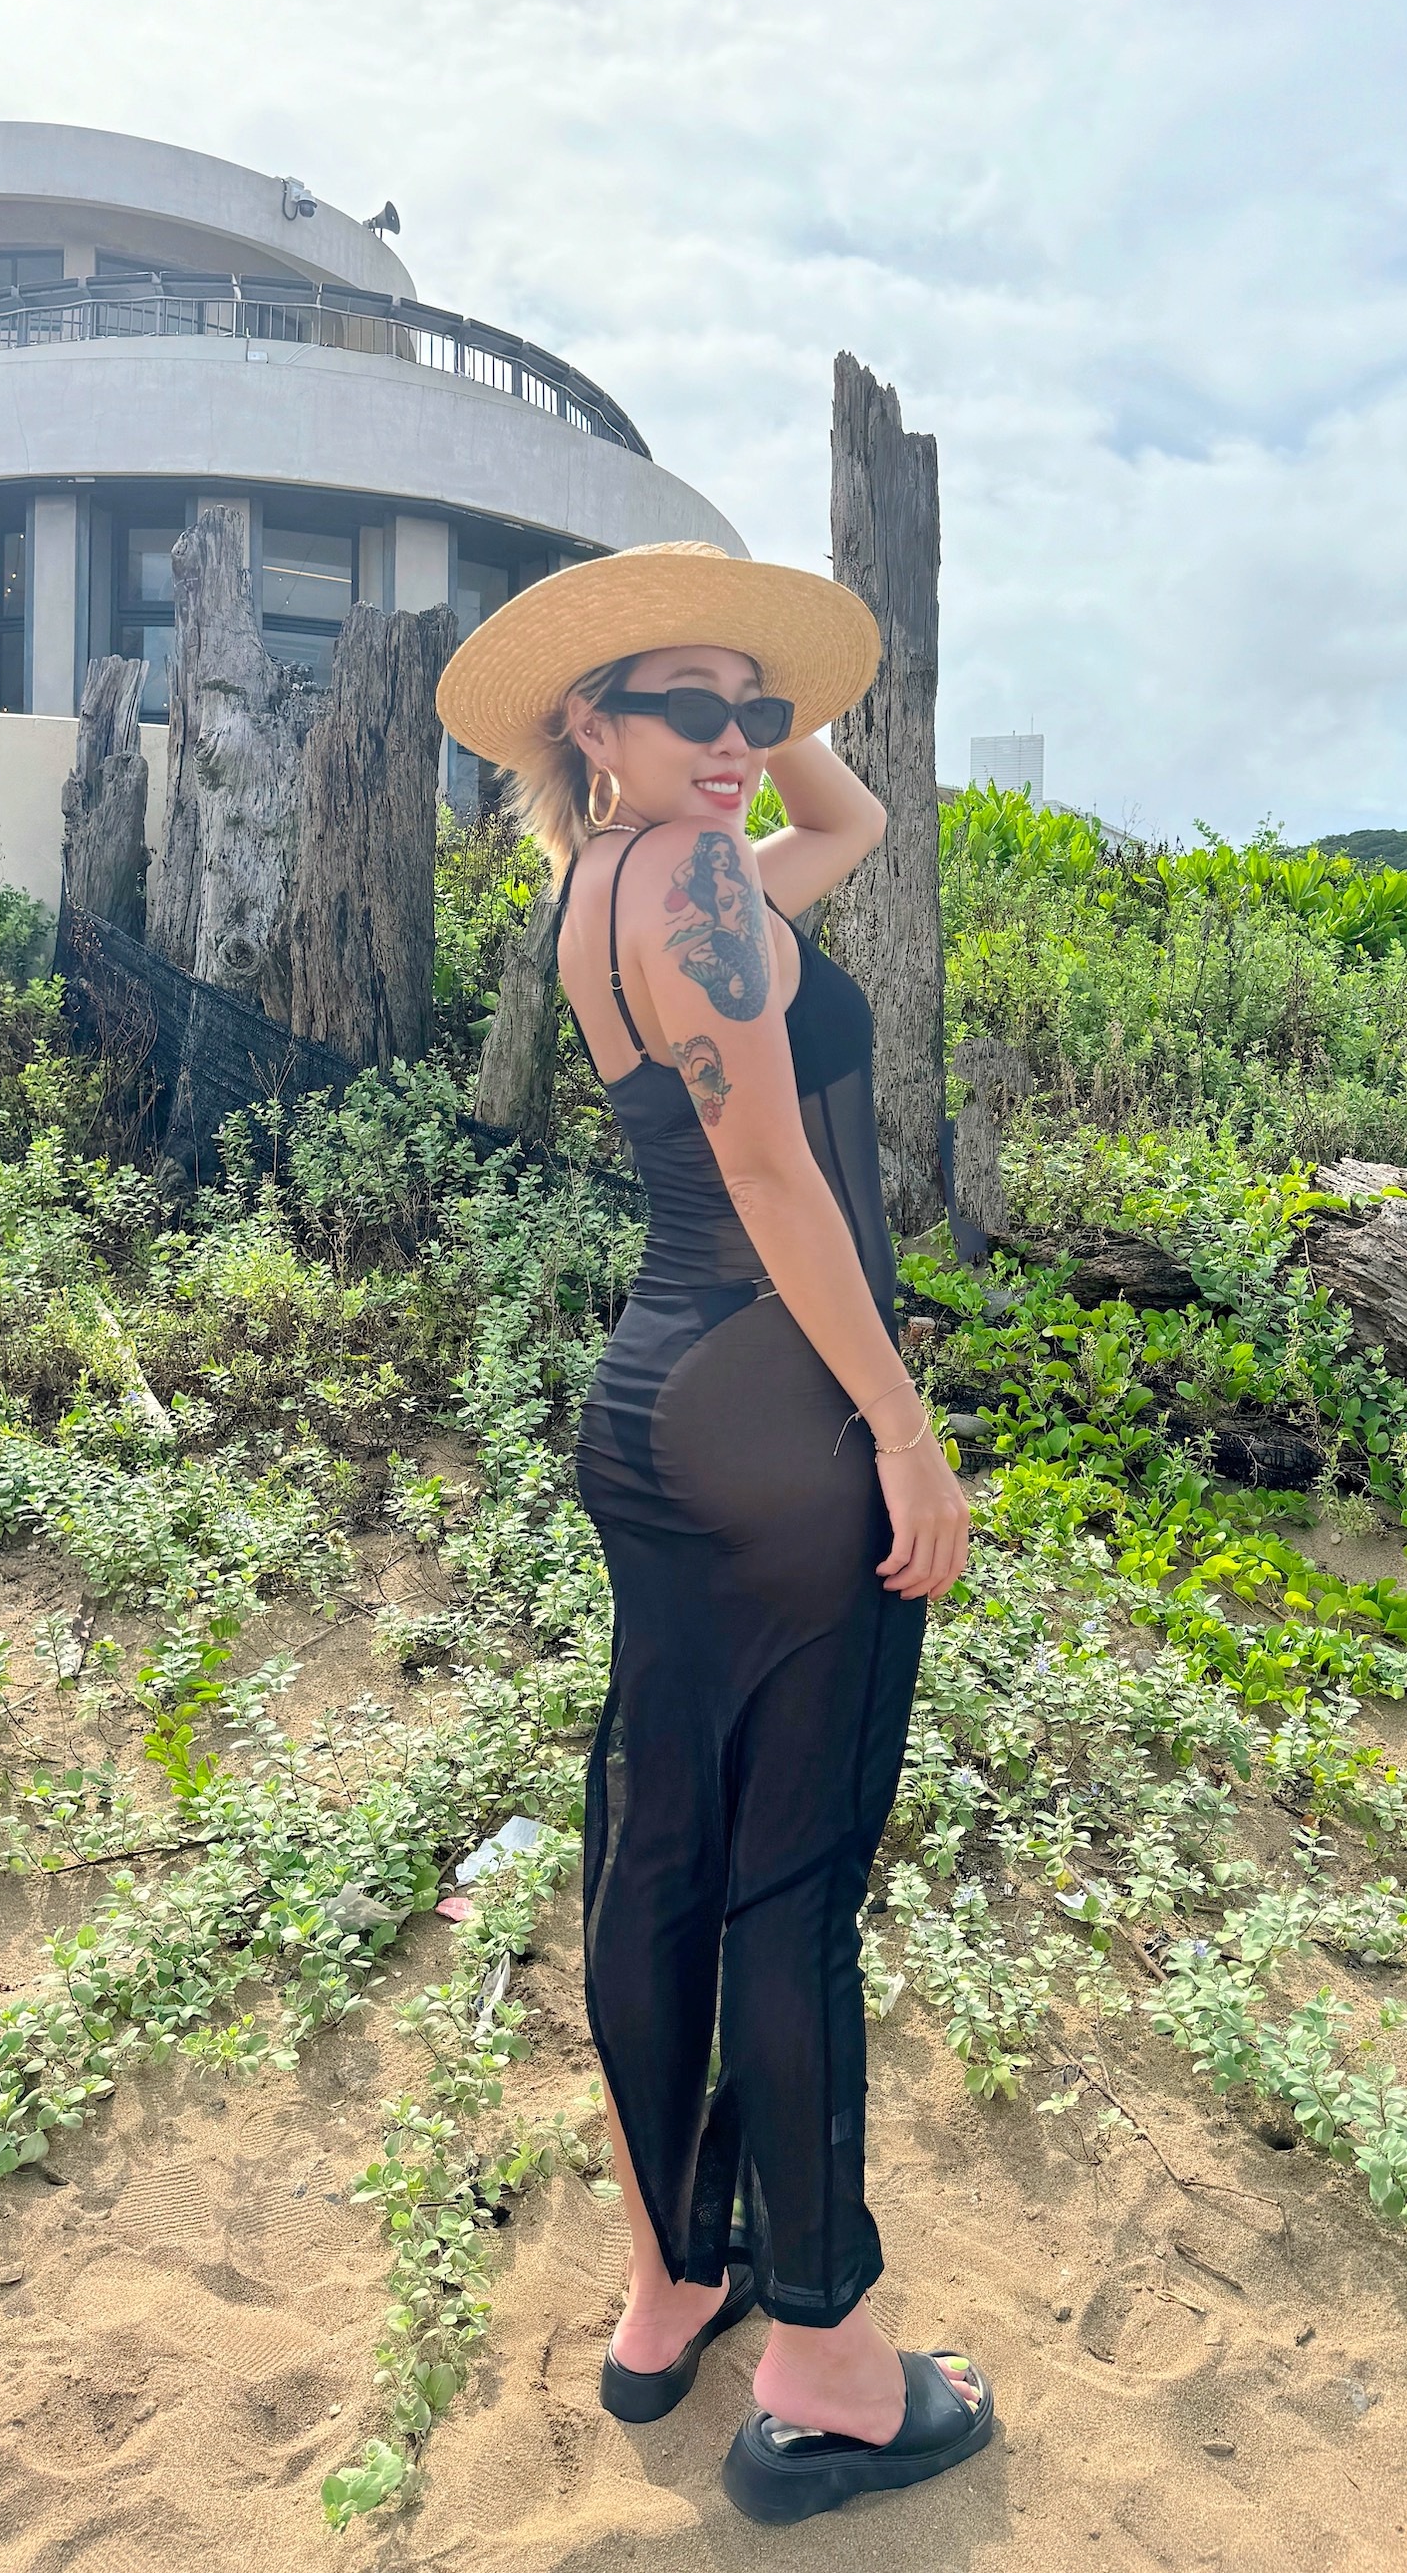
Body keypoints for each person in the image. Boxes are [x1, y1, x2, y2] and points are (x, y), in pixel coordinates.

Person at [437, 542, 992, 2526]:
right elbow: (766, 1161)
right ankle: (828, 2363)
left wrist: (759, 704)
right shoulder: (691, 880)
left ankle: (669, 2284)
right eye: (691, 707)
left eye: (752, 709)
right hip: (776, 1419)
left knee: (660, 1851)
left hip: (654, 1410)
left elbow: (848, 821)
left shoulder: (626, 883)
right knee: (788, 1884)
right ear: (587, 721)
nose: (741, 742)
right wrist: (901, 1430)